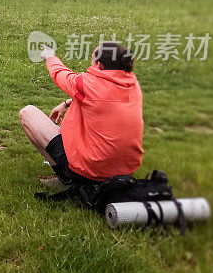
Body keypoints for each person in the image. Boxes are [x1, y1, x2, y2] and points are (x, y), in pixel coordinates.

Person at [19, 41, 143, 185]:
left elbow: (60, 73)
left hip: (90, 172)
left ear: (99, 65)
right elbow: (105, 99)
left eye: (92, 58)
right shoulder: (132, 84)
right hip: (125, 171)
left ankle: (66, 178)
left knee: (27, 113)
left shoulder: (86, 84)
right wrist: (67, 103)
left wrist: (50, 56)